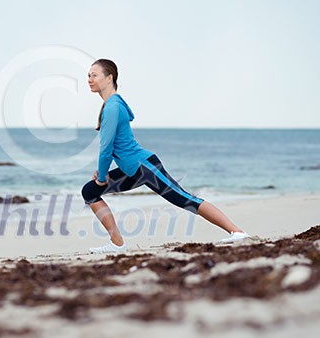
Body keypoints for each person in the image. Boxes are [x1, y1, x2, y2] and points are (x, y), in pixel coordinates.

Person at [81, 59, 249, 253]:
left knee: (184, 199)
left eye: (94, 75)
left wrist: (102, 177)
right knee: (90, 192)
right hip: (132, 169)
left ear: (109, 78)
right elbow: (112, 146)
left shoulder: (112, 107)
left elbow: (106, 148)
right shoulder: (113, 103)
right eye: (88, 75)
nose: (89, 80)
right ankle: (117, 243)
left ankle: (236, 232)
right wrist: (101, 174)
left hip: (144, 167)